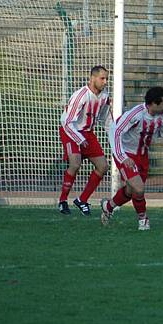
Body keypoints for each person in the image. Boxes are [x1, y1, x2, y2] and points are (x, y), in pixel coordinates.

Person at [101, 86, 163, 230]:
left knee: (130, 191)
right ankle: (143, 220)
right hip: (127, 154)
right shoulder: (136, 114)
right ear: (153, 103)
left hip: (143, 155)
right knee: (139, 188)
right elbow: (115, 130)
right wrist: (122, 156)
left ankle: (108, 206)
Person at [58, 65, 112, 216]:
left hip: (88, 133)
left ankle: (82, 200)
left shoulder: (104, 96)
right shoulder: (81, 95)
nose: (105, 81)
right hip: (70, 130)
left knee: (103, 167)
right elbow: (67, 122)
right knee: (75, 163)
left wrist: (114, 141)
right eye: (102, 78)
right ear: (92, 78)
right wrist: (79, 139)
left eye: (107, 78)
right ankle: (62, 201)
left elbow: (107, 120)